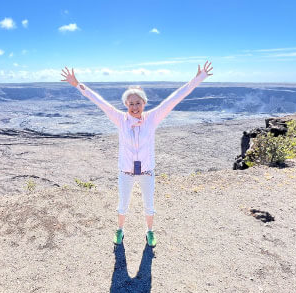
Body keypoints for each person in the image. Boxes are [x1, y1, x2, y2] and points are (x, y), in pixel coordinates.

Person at [61, 61, 213, 247]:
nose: (134, 107)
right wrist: (78, 85)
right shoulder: (120, 119)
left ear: (144, 103)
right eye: (131, 103)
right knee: (122, 205)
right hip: (125, 172)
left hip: (147, 172)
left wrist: (198, 79)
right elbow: (100, 102)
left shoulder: (152, 118)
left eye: (138, 103)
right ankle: (120, 231)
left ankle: (149, 232)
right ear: (126, 104)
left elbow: (175, 98)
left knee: (149, 205)